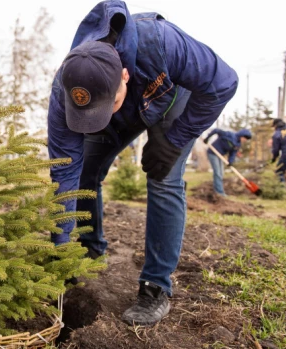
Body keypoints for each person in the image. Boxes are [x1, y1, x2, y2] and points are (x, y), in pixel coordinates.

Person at [47, 0, 238, 326]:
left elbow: (223, 82)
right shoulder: (64, 92)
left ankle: (155, 287)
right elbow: (65, 170)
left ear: (124, 75)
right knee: (85, 173)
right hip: (126, 104)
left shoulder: (163, 43)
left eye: (109, 104)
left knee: (163, 177)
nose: (96, 121)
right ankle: (88, 252)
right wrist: (60, 247)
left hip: (169, 96)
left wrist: (176, 139)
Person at [203, 128, 252, 196]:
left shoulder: (238, 144)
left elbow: (233, 153)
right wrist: (207, 138)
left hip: (220, 156)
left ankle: (218, 190)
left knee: (221, 173)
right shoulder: (229, 135)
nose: (245, 140)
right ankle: (219, 192)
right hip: (212, 153)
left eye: (246, 139)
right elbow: (216, 130)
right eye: (245, 138)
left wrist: (230, 162)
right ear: (241, 135)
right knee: (217, 172)